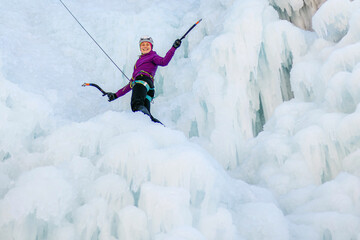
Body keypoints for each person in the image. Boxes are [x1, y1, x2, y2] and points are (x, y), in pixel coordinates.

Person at [106, 36, 182, 124]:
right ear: (140, 47)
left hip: (142, 82)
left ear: (151, 47)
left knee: (137, 106)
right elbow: (131, 85)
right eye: (143, 45)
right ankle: (159, 128)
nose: (145, 46)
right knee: (146, 117)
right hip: (147, 87)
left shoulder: (153, 56)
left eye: (147, 45)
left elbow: (164, 62)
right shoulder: (138, 62)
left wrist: (173, 48)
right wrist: (115, 95)